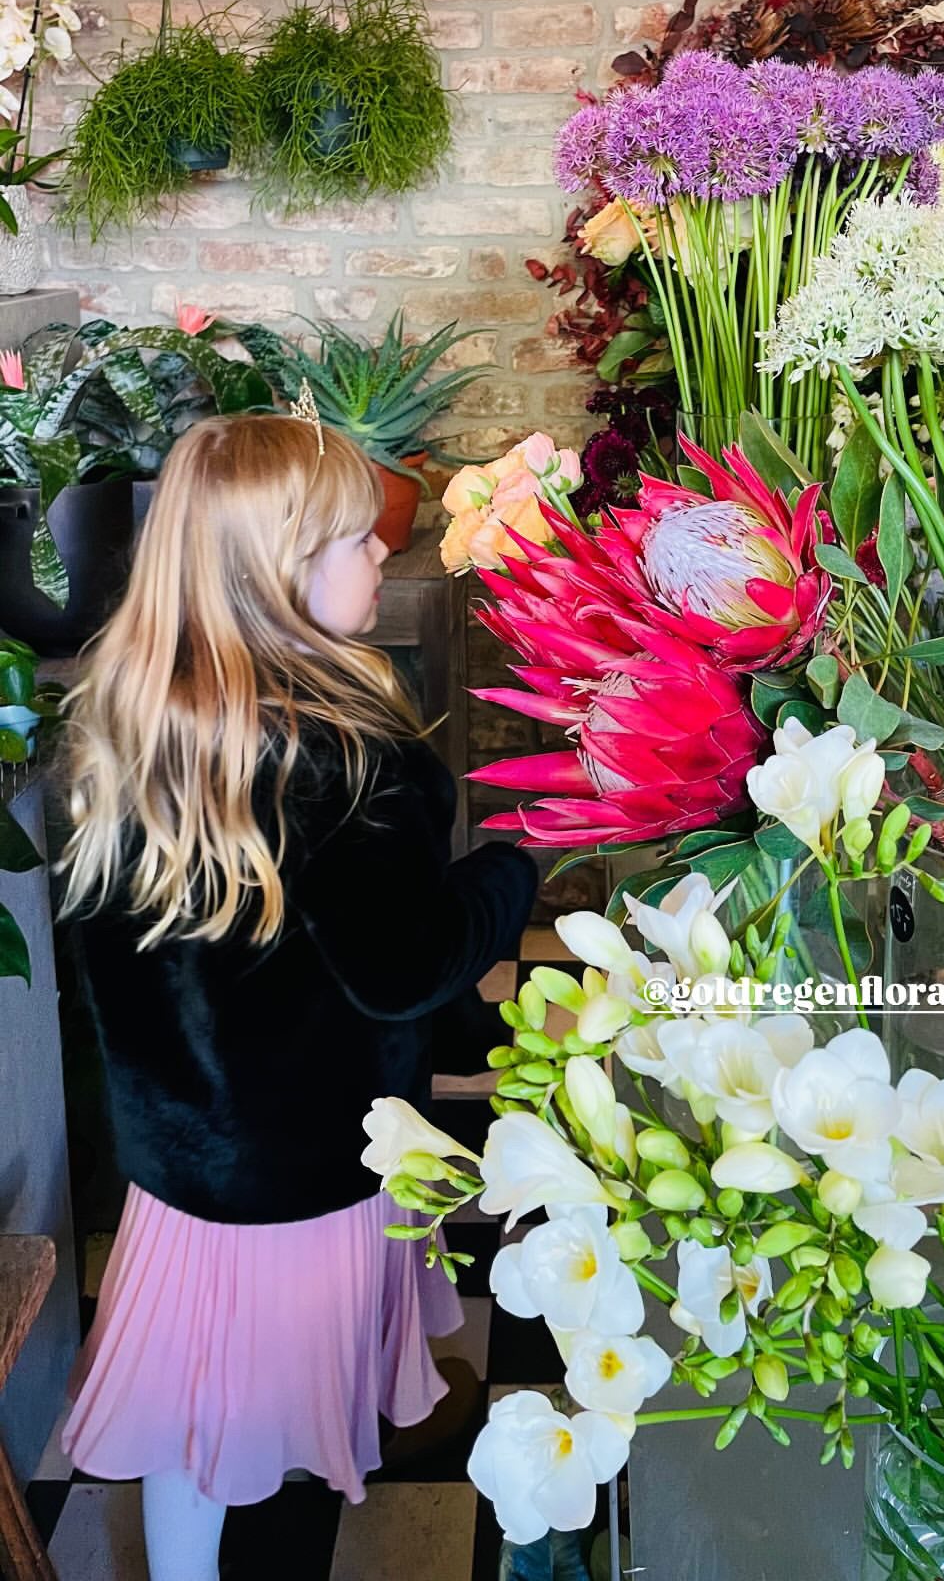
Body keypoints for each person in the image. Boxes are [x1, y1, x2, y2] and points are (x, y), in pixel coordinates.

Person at [55, 409, 537, 1581]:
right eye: (357, 540)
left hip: (184, 1168)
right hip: (315, 1168)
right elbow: (406, 964)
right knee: (276, 1395)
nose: (384, 553)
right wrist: (515, 857)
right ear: (278, 569)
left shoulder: (142, 718)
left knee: (195, 1408)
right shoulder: (332, 749)